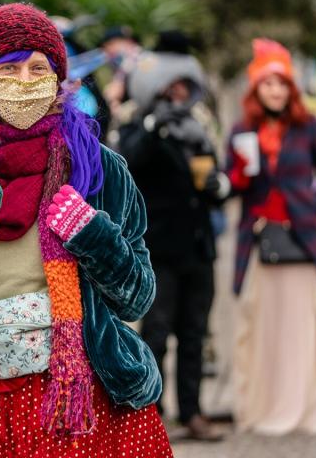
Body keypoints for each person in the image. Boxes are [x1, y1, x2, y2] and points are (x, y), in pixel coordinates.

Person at [0, 3, 172, 457]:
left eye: (39, 68)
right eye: (10, 68)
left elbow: (138, 297)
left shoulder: (98, 167)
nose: (24, 81)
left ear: (59, 80)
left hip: (78, 400)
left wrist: (92, 234)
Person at [226, 39, 316, 435]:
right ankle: (266, 406)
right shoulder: (243, 130)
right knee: (263, 330)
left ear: (291, 88)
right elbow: (233, 185)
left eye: (281, 83)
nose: (275, 90)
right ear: (256, 88)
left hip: (303, 243)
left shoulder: (308, 126)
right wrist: (237, 176)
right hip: (260, 243)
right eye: (267, 83)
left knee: (306, 326)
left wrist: (311, 204)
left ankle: (311, 407)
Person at [117, 49, 228, 441]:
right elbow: (126, 161)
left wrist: (220, 186)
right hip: (159, 250)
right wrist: (151, 126)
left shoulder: (197, 128)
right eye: (171, 88)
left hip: (198, 248)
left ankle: (193, 412)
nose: (178, 95)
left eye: (184, 87)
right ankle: (155, 413)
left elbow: (215, 174)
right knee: (157, 333)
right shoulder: (137, 124)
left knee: (196, 333)